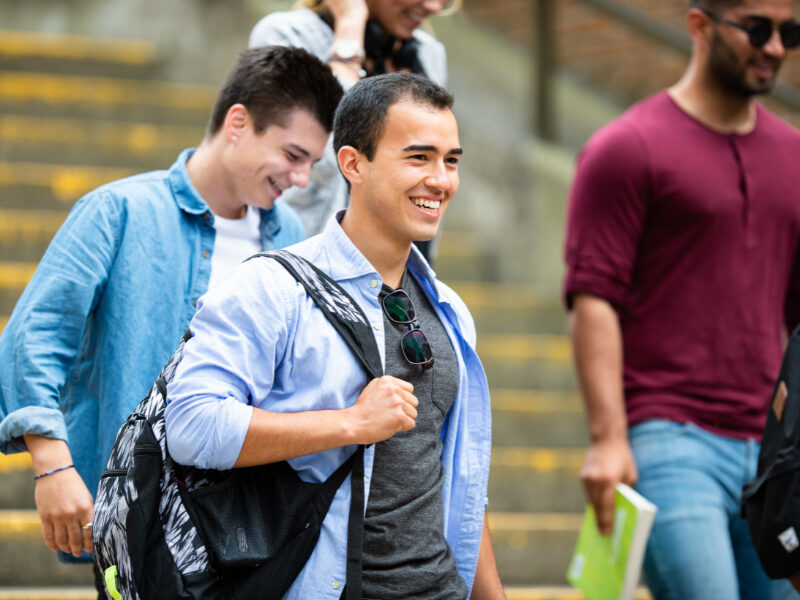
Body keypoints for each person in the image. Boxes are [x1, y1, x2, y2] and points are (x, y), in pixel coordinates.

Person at [0, 45, 342, 583]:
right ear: (238, 123)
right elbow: (34, 337)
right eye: (293, 155)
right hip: (140, 520)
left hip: (245, 526)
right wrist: (52, 465)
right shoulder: (117, 211)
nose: (301, 179)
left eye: (310, 164)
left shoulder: (291, 239)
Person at [163, 73, 504, 599]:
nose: (441, 180)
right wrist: (349, 423)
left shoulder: (450, 311)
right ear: (353, 164)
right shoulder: (273, 287)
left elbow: (460, 478)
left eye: (451, 160)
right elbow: (191, 425)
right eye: (418, 158)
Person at [564, 0, 800, 598]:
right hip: (669, 441)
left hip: (775, 449)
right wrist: (607, 438)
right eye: (757, 29)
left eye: (789, 31)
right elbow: (594, 298)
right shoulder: (627, 147)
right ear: (699, 26)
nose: (775, 47)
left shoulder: (796, 157)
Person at [248, 0, 452, 261]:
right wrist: (349, 32)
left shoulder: (427, 53)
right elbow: (317, 166)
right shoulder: (287, 36)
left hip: (398, 276)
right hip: (313, 273)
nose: (434, 7)